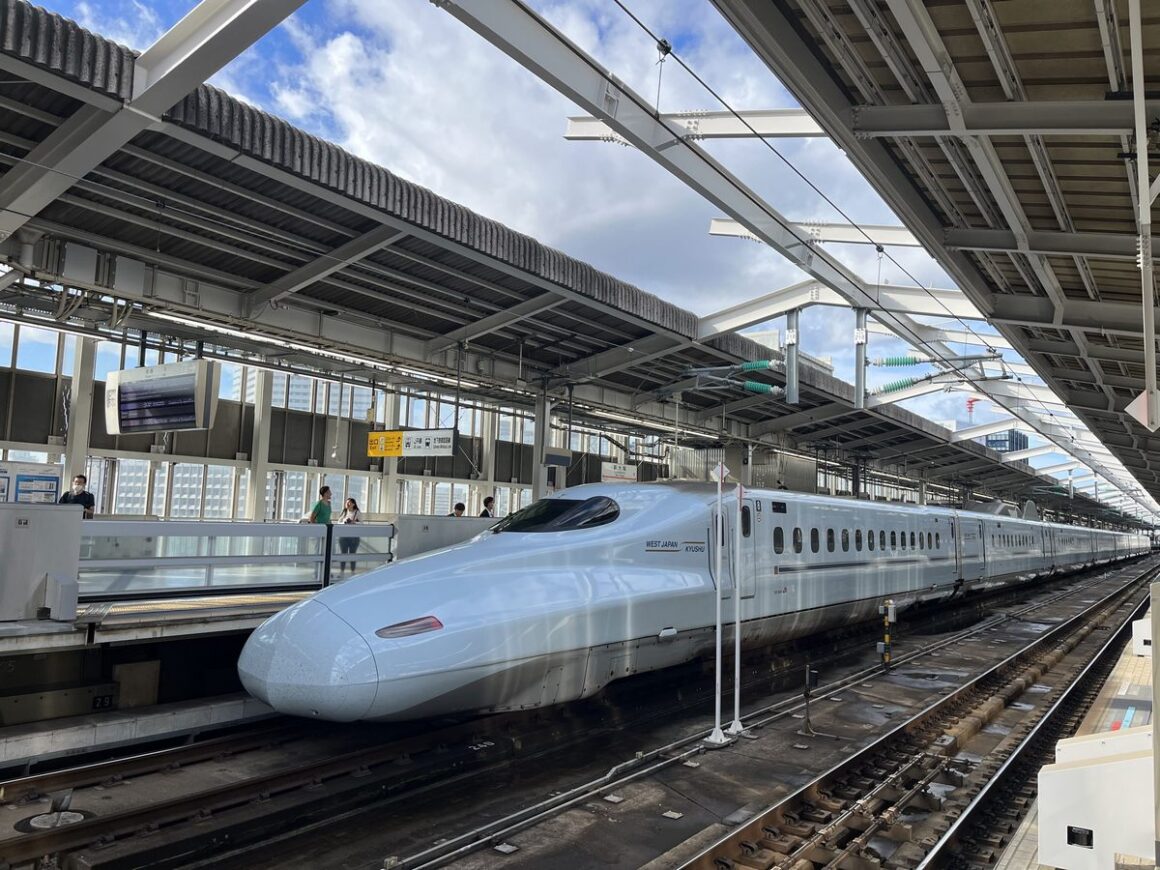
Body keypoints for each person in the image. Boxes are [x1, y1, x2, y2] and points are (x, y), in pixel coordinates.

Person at [337, 497, 361, 574]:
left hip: (354, 537)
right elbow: (338, 522)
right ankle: (342, 571)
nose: (347, 504)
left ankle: (352, 571)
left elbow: (362, 523)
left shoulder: (357, 512)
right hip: (343, 536)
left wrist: (354, 522)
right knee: (343, 554)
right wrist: (344, 521)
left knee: (352, 554)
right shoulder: (344, 512)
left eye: (349, 502)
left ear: (353, 504)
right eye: (346, 502)